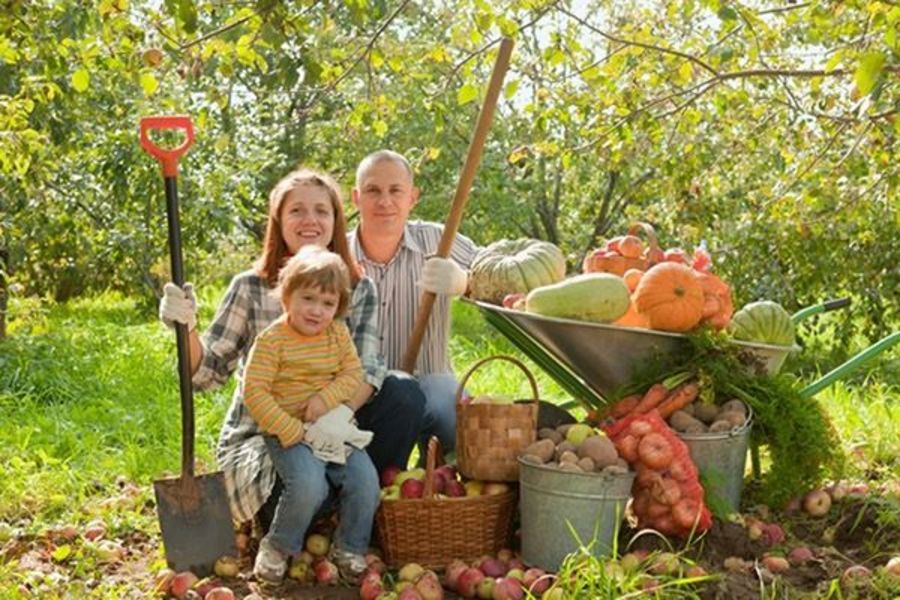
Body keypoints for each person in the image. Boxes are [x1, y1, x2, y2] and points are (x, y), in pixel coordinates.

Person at [158, 168, 425, 534]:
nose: (310, 220)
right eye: (297, 211)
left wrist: (335, 418)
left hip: (334, 428)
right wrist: (185, 327)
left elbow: (366, 370)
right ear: (279, 221)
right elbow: (207, 373)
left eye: (322, 211)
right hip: (267, 434)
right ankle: (317, 511)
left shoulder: (357, 287)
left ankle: (364, 511)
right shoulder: (250, 287)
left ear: (335, 220)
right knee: (297, 491)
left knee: (403, 392)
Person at [241, 246, 378, 583]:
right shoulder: (272, 340)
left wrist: (323, 400)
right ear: (287, 297)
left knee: (365, 481)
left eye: (328, 303)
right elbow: (254, 391)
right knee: (308, 484)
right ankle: (277, 546)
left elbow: (352, 375)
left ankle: (350, 547)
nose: (317, 311)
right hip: (288, 432)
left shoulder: (337, 334)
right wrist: (290, 429)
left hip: (332, 428)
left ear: (339, 307)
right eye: (308, 299)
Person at [349, 150, 479, 453]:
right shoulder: (337, 254)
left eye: (396, 191)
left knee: (460, 419)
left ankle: (438, 481)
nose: (385, 201)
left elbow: (497, 273)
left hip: (429, 381)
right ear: (356, 197)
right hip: (355, 389)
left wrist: (465, 281)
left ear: (413, 197)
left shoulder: (437, 241)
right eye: (373, 190)